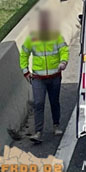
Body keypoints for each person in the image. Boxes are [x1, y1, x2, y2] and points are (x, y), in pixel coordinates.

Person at [19, 11, 69, 143]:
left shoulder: (56, 36)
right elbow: (24, 54)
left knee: (54, 101)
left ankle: (56, 125)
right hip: (38, 78)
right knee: (38, 103)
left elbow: (64, 50)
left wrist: (63, 62)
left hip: (54, 76)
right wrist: (25, 71)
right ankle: (38, 132)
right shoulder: (32, 38)